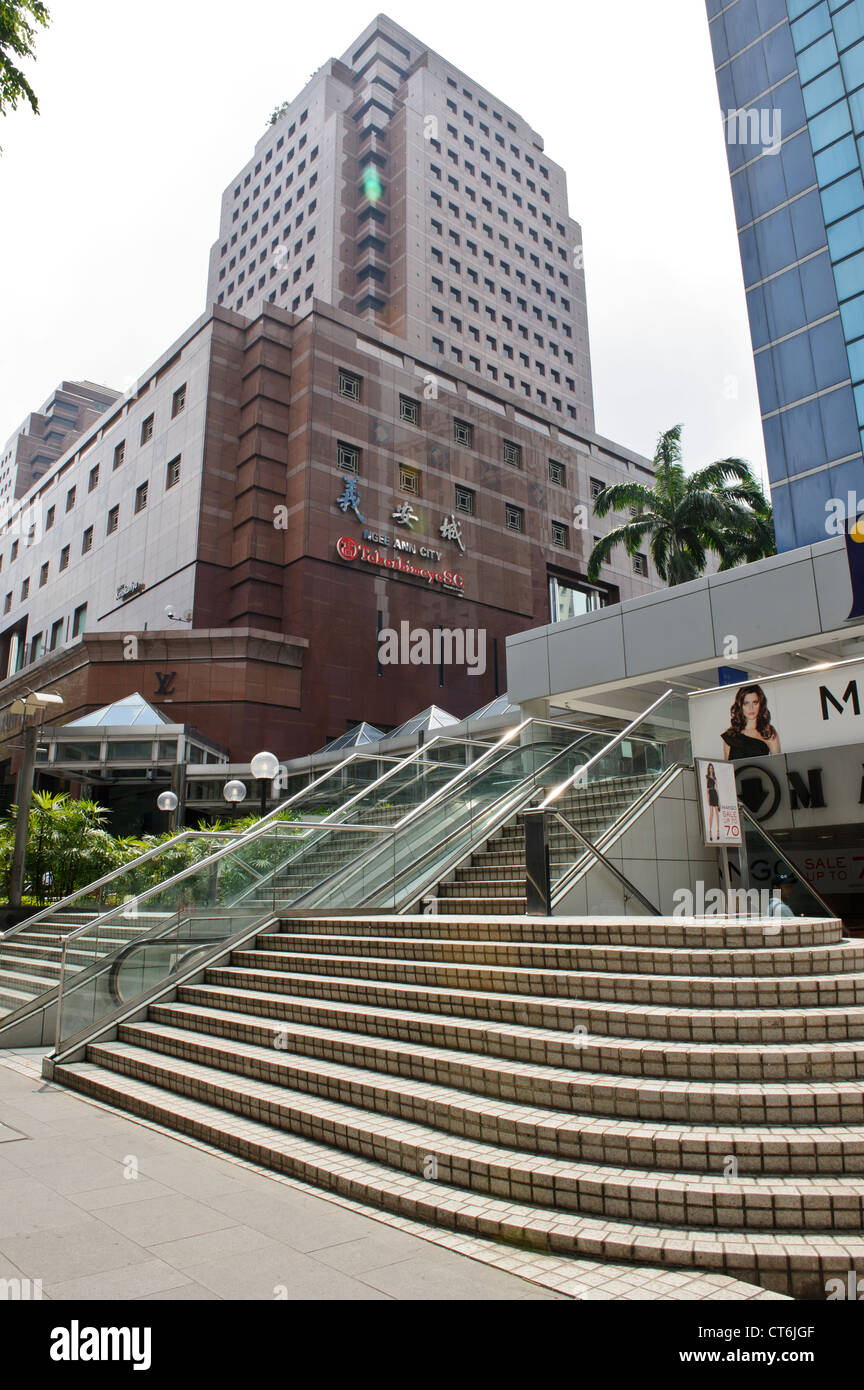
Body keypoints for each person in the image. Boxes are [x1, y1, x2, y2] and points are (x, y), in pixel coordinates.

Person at [721, 684, 781, 759]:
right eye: (746, 703)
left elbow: (778, 765)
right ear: (740, 706)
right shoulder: (730, 736)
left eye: (755, 702)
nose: (751, 708)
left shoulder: (768, 733)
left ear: (760, 704)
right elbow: (728, 769)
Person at [705, 762, 720, 841]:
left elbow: (717, 789)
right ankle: (710, 832)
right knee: (711, 814)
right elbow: (707, 789)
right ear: (708, 769)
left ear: (713, 769)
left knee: (717, 813)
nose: (711, 769)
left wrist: (719, 801)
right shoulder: (707, 777)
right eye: (710, 768)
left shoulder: (714, 778)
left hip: (715, 794)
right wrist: (707, 798)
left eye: (712, 768)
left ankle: (718, 832)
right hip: (710, 794)